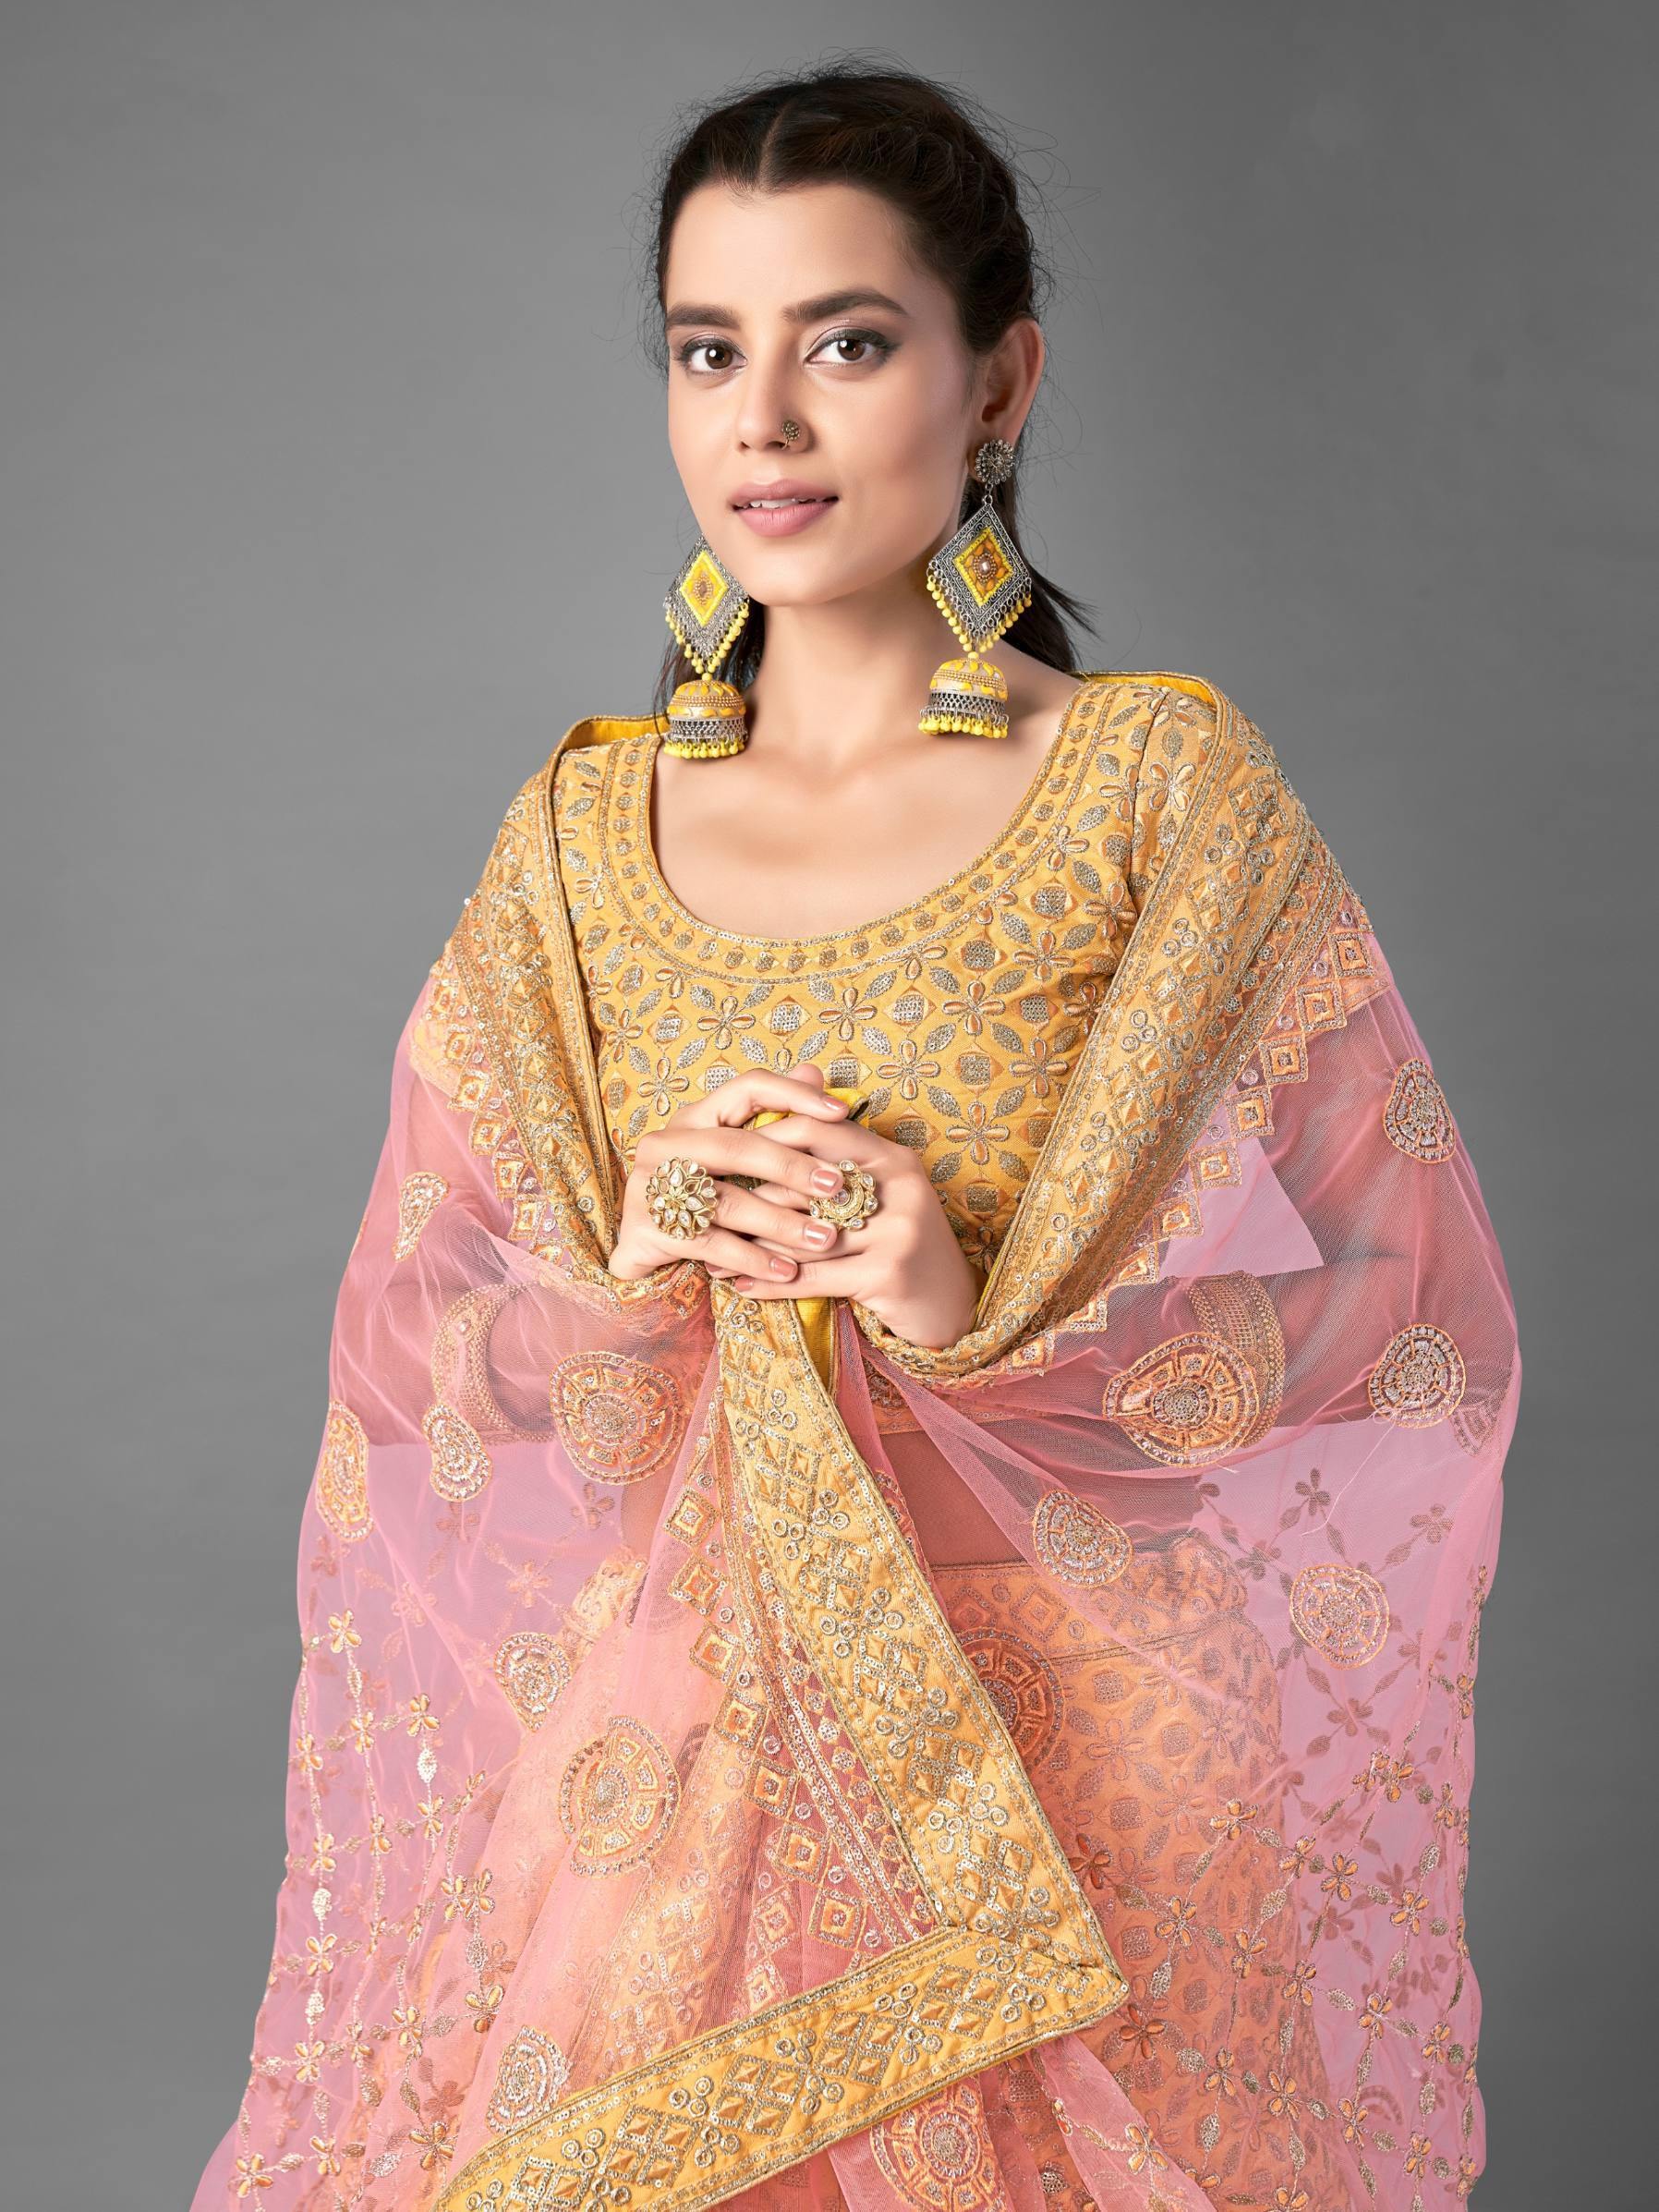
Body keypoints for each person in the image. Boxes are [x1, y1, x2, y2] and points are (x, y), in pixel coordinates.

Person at [189, 62, 1520, 2212]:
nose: (765, 424)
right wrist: (625, 1283)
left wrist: (983, 1321)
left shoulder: (1153, 794)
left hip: (1079, 1766)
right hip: (671, 1769)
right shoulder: (578, 838)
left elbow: (1410, 1322)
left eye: (848, 344)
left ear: (998, 384)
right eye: (709, 352)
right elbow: (418, 1363)